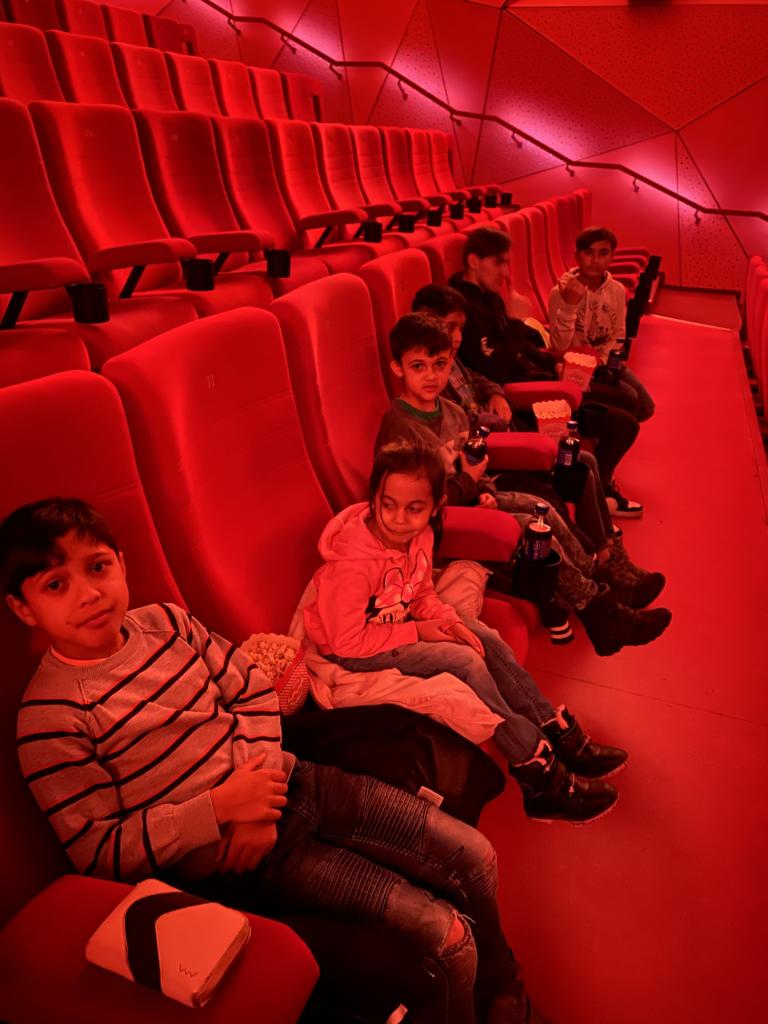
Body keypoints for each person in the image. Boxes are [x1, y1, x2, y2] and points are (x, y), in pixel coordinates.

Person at [1, 496, 546, 1024]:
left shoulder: (168, 623)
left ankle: (503, 988)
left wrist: (258, 792)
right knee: (445, 937)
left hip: (293, 783)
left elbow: (252, 691)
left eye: (98, 567)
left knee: (477, 857)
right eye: (56, 585)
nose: (89, 594)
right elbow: (99, 852)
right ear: (24, 608)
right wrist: (220, 809)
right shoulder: (50, 717)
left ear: (121, 563)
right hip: (238, 860)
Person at [304, 438, 625, 827]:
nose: (399, 519)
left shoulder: (420, 537)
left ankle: (553, 729)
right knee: (464, 662)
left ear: (435, 507)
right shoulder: (353, 568)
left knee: (485, 639)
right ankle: (537, 773)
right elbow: (345, 641)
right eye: (388, 505)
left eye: (414, 509)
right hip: (353, 649)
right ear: (373, 499)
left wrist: (448, 621)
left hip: (396, 623)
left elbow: (421, 592)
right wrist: (420, 631)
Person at [374, 313, 672, 656]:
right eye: (418, 366)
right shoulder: (399, 430)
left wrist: (484, 489)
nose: (431, 375)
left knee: (542, 512)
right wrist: (469, 483)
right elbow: (415, 506)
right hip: (435, 523)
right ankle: (601, 614)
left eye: (439, 364)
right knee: (533, 529)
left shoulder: (453, 412)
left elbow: (476, 462)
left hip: (469, 498)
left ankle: (602, 581)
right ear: (397, 368)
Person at [409, 283, 664, 607]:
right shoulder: (430, 379)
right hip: (488, 456)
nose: (458, 336)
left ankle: (609, 558)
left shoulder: (452, 360)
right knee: (553, 493)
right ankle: (601, 577)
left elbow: (476, 378)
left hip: (492, 447)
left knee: (583, 461)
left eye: (460, 327)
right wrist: (488, 425)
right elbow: (457, 437)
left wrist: (496, 394)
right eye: (450, 327)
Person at [449, 226, 644, 516]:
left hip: (540, 378)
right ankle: (602, 493)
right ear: (474, 261)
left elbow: (521, 346)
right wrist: (516, 321)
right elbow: (494, 365)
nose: (505, 272)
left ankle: (602, 487)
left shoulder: (490, 297)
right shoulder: (463, 307)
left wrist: (551, 362)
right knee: (624, 423)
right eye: (498, 262)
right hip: (527, 399)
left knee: (629, 402)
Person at [548, 226, 656, 425]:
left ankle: (602, 423)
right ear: (577, 256)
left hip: (604, 363)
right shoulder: (560, 292)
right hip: (573, 367)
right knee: (630, 401)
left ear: (611, 257)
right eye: (588, 252)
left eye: (603, 253)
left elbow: (619, 333)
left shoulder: (617, 290)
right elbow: (560, 345)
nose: (595, 260)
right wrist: (570, 305)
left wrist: (603, 360)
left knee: (646, 407)